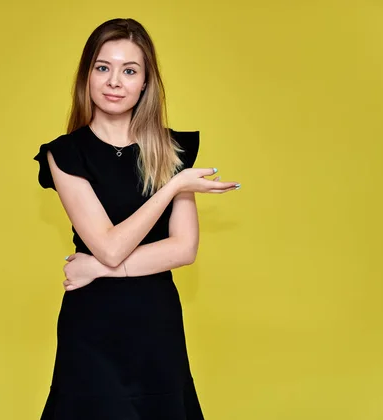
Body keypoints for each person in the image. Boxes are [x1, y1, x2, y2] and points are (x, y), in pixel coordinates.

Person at [33, 18, 240, 420]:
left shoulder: (172, 149)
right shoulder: (65, 153)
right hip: (92, 326)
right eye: (103, 67)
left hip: (155, 322)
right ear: (87, 75)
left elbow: (183, 249)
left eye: (129, 70)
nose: (115, 81)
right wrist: (172, 187)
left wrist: (96, 269)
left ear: (145, 82)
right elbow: (109, 245)